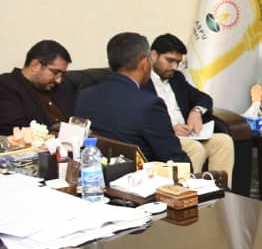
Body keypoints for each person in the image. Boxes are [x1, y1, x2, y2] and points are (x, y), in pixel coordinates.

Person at [74, 32, 189, 166]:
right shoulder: (150, 105)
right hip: (142, 175)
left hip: (98, 171)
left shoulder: (85, 96)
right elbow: (175, 159)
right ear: (144, 63)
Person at [143, 33, 235, 182]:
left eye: (178, 62)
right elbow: (141, 117)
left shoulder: (176, 78)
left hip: (188, 134)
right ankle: (189, 194)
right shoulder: (142, 80)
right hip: (165, 138)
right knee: (195, 148)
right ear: (153, 55)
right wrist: (170, 129)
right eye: (170, 60)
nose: (174, 67)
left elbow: (203, 98)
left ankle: (220, 192)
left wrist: (195, 111)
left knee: (223, 141)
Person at [0, 40, 75, 135]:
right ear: (35, 65)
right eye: (55, 73)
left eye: (62, 74)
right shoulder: (6, 85)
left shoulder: (62, 87)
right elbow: (15, 130)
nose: (59, 80)